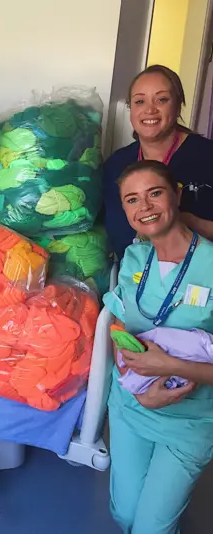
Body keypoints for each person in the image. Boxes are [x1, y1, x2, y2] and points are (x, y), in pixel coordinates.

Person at [103, 160, 213, 534]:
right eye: (132, 200)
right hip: (131, 406)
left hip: (190, 420)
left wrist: (169, 366)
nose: (144, 207)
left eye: (155, 193)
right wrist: (128, 371)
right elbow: (118, 325)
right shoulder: (134, 258)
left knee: (151, 530)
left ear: (177, 195)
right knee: (126, 517)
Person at [103, 64, 213, 260]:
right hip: (136, 280)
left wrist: (193, 224)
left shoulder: (207, 155)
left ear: (178, 104)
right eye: (140, 101)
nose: (150, 110)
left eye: (161, 99)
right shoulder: (116, 165)